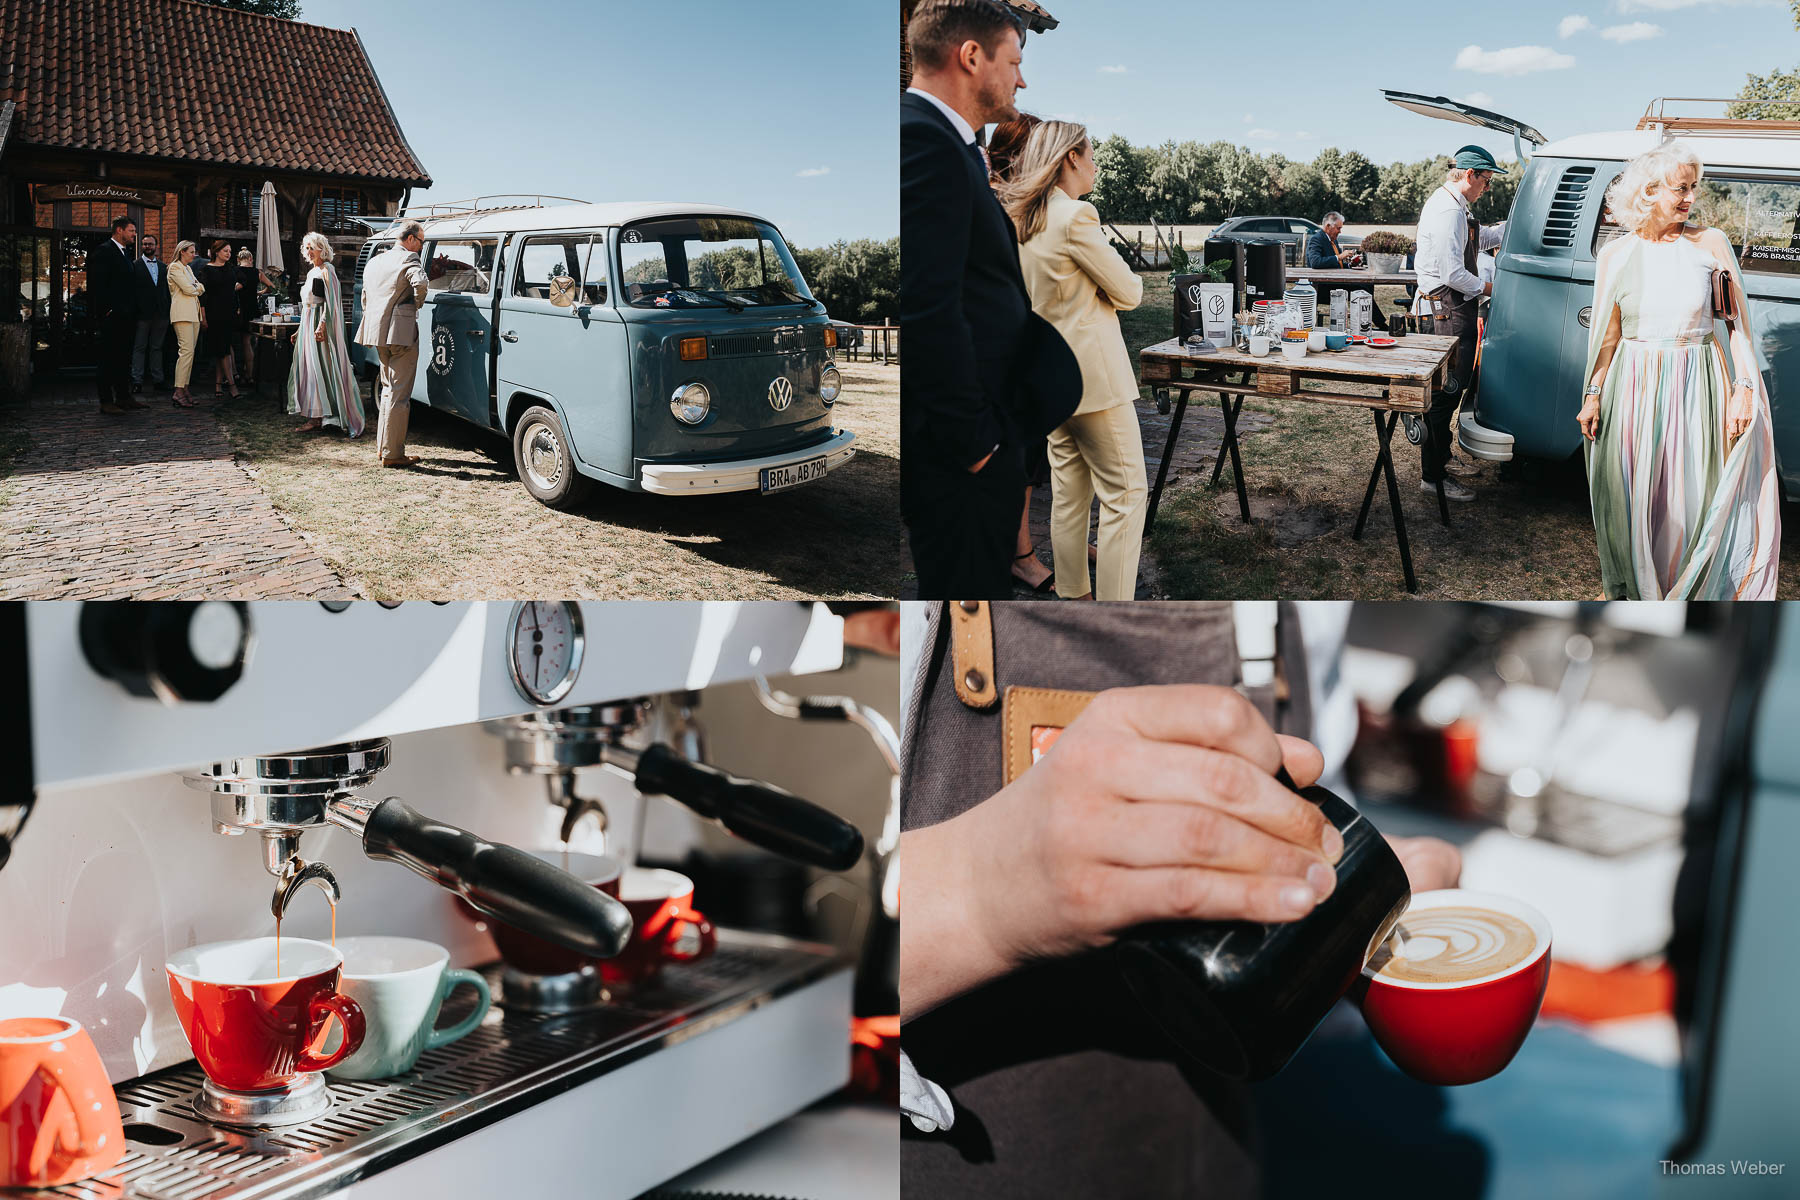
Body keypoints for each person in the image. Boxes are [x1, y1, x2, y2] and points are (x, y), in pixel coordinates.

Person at [900, 603, 1463, 1196]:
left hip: (1216, 1155)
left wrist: (1356, 906)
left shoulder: (1307, 600)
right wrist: (979, 891)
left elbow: (1317, 806)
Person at [902, 0, 1078, 598]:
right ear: (971, 56)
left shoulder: (950, 147)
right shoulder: (923, 143)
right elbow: (927, 308)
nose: (1022, 79)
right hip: (962, 460)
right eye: (1015, 60)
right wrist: (979, 447)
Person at [1577, 142, 1780, 599]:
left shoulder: (1710, 244)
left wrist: (1743, 388)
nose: (1691, 198)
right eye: (1680, 188)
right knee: (1637, 502)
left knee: (1691, 505)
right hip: (1631, 388)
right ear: (1649, 191)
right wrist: (1592, 394)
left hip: (1697, 386)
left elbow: (1738, 328)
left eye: (1694, 187)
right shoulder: (1616, 254)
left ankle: (1685, 595)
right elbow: (1606, 341)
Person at [1006, 121, 1147, 601]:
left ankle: (1072, 597)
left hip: (1048, 381)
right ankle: (1113, 612)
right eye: (1090, 154)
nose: (1095, 164)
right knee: (1126, 497)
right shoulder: (1075, 217)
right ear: (1069, 158)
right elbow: (1130, 292)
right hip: (1095, 381)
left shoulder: (1025, 219)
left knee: (1068, 495)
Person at [1411, 146, 1507, 502]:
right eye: (1486, 180)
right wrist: (1492, 288)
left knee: (1451, 392)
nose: (1487, 187)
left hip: (1452, 308)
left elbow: (1473, 242)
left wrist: (1505, 230)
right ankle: (1432, 477)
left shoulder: (1455, 205)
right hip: (1445, 311)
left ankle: (1443, 458)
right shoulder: (1449, 210)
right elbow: (1453, 273)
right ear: (1469, 175)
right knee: (1445, 393)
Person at [987, 110, 1055, 593]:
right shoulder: (996, 203)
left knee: (1046, 455)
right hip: (1006, 347)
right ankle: (1022, 557)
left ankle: (1055, 541)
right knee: (1022, 462)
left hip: (1036, 340)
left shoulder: (1028, 202)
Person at [354, 218, 430, 468]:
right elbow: (421, 283)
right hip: (401, 332)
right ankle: (393, 454)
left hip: (377, 331)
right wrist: (414, 306)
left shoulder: (375, 261)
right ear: (410, 239)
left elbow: (365, 296)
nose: (421, 246)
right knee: (399, 394)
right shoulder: (409, 258)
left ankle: (383, 448)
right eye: (421, 241)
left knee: (388, 389)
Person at [286, 232, 365, 439]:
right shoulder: (312, 272)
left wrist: (322, 325)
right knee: (310, 370)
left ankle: (330, 415)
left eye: (312, 247)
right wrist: (299, 329)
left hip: (321, 324)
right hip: (307, 323)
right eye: (307, 248)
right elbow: (307, 305)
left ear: (322, 248)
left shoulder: (328, 269)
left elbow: (332, 301)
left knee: (323, 367)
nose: (309, 251)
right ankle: (314, 416)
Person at [86, 216, 145, 414]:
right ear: (119, 230)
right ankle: (106, 401)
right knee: (107, 359)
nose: (134, 235)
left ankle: (123, 397)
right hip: (112, 316)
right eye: (131, 231)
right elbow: (97, 284)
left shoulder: (126, 253)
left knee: (123, 357)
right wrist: (106, 310)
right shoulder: (104, 251)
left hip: (127, 316)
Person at [196, 241, 242, 400]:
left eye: (230, 251)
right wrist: (203, 317)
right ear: (216, 252)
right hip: (214, 314)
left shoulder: (230, 269)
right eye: (225, 251)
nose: (228, 254)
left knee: (222, 350)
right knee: (223, 350)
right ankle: (231, 385)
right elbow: (201, 296)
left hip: (229, 313)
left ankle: (217, 384)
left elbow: (233, 291)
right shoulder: (206, 270)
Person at [129, 233, 170, 393]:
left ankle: (158, 379)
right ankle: (137, 381)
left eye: (150, 244)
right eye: (145, 244)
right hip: (142, 315)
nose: (148, 246)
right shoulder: (135, 265)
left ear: (156, 246)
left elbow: (167, 291)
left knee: (157, 347)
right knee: (139, 347)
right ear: (141, 246)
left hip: (161, 314)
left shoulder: (163, 267)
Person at [166, 241, 204, 408]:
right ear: (182, 252)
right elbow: (190, 290)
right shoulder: (174, 268)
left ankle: (185, 388)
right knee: (186, 352)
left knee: (190, 354)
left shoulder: (188, 268)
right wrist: (196, 287)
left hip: (194, 314)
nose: (194, 255)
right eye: (191, 252)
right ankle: (178, 391)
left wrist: (195, 287)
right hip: (182, 314)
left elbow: (200, 287)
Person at [235, 248, 262, 385]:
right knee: (250, 341)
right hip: (253, 309)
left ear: (239, 260)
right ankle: (249, 375)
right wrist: (259, 293)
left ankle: (237, 374)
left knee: (237, 343)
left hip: (239, 309)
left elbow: (232, 289)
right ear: (251, 258)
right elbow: (271, 286)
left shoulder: (235, 271)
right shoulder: (257, 272)